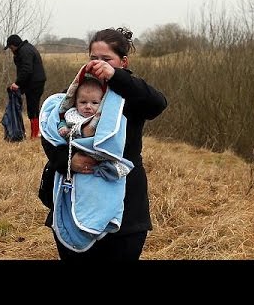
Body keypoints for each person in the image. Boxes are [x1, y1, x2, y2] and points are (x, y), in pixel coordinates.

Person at [41, 27, 168, 260]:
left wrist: (116, 77)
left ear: (123, 62)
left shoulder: (132, 95)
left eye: (106, 59)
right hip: (75, 200)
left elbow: (158, 104)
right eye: (93, 59)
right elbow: (49, 135)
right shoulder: (77, 93)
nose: (98, 64)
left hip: (126, 211)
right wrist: (67, 160)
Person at [4, 34, 46, 139]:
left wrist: (17, 83)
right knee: (34, 108)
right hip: (34, 82)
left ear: (14, 45)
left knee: (33, 108)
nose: (11, 50)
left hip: (34, 84)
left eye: (10, 47)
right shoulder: (26, 48)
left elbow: (27, 70)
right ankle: (35, 133)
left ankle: (34, 135)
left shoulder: (24, 51)